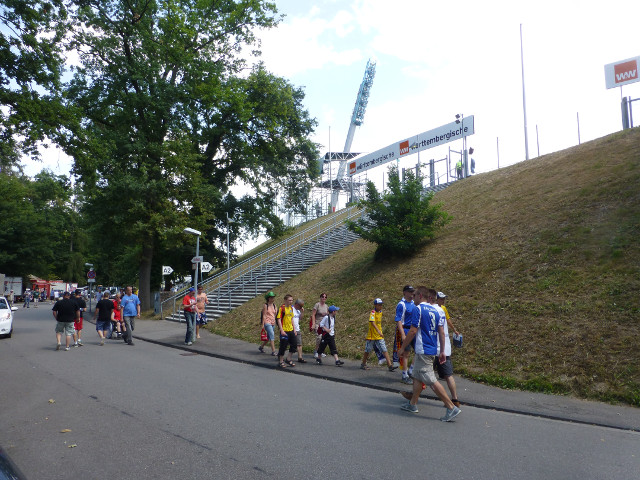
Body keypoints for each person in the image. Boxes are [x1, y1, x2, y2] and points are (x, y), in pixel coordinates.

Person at [397, 286, 461, 422]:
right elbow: (442, 333)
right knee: (417, 376)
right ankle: (412, 404)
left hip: (424, 349)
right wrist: (442, 351)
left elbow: (413, 330)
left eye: (415, 295)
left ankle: (451, 407)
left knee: (430, 379)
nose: (413, 298)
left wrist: (402, 348)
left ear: (420, 296)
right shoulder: (436, 310)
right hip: (432, 349)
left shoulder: (418, 309)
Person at [435, 291, 461, 407]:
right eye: (441, 299)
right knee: (445, 375)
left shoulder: (442, 309)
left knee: (423, 374)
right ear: (436, 299)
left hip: (438, 348)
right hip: (441, 348)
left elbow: (448, 320)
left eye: (444, 298)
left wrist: (454, 329)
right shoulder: (434, 309)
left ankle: (454, 400)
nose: (443, 300)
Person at [360, 298, 397, 371]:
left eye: (381, 305)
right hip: (372, 336)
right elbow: (372, 322)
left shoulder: (380, 312)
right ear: (375, 305)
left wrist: (380, 332)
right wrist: (378, 331)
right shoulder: (373, 312)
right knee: (368, 350)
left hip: (379, 336)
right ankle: (363, 364)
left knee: (384, 349)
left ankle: (390, 365)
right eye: (379, 305)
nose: (380, 306)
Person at [395, 285, 416, 384]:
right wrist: (403, 334)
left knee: (419, 351)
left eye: (413, 292)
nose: (412, 294)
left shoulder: (413, 303)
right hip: (406, 330)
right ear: (405, 292)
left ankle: (411, 370)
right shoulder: (401, 304)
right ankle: (404, 374)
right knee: (406, 354)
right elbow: (399, 320)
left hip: (413, 330)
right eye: (410, 292)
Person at [276, 294, 297, 368]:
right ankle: (281, 361)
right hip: (284, 330)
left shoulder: (291, 308)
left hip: (291, 329)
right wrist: (281, 330)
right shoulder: (282, 308)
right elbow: (278, 319)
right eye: (289, 300)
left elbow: (292, 319)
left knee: (294, 344)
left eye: (292, 300)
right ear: (285, 300)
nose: (291, 302)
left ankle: (288, 358)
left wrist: (294, 329)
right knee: (283, 346)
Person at [310, 293, 329, 359]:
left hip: (323, 325)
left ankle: (320, 351)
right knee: (319, 337)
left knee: (323, 338)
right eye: (322, 297)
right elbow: (313, 314)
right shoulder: (317, 305)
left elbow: (328, 315)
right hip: (317, 323)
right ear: (320, 297)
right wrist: (313, 324)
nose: (324, 298)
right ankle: (316, 351)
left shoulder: (326, 306)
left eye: (325, 297)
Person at [289, 298, 307, 364]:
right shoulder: (291, 309)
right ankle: (282, 356)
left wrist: (302, 312)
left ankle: (300, 357)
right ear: (296, 304)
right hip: (290, 329)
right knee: (288, 344)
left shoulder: (298, 310)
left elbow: (300, 318)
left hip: (297, 329)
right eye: (300, 306)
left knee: (299, 344)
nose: (301, 307)